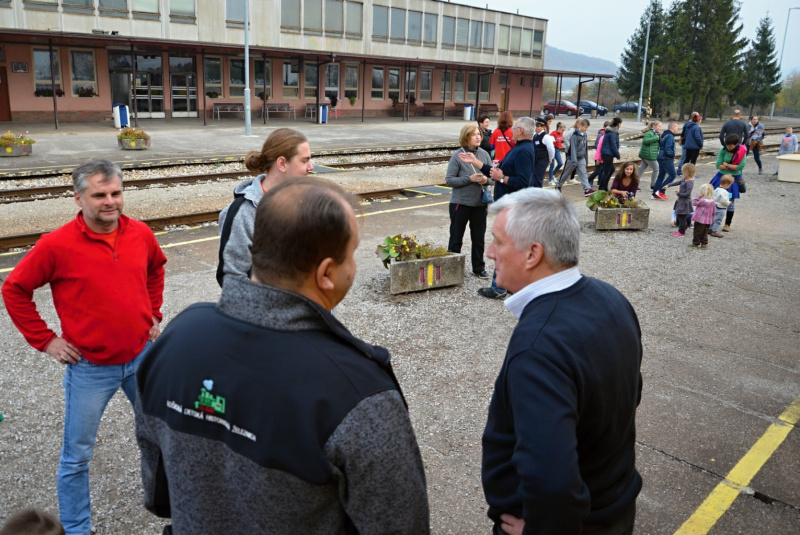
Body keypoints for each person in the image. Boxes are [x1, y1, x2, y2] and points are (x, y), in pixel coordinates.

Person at [135, 178, 430, 534]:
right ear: (326, 273)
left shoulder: (178, 336)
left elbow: (158, 491)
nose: (354, 264)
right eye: (352, 253)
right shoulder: (359, 391)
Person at [1, 159, 167, 535]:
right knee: (77, 456)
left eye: (116, 193)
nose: (110, 201)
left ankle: (171, 505)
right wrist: (46, 340)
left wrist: (153, 313)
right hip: (90, 368)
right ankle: (76, 529)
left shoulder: (140, 233)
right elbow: (14, 289)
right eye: (99, 195)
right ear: (78, 198)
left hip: (141, 358)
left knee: (162, 439)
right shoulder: (56, 245)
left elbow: (156, 269)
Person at [481, 187, 643, 535]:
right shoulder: (612, 299)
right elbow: (629, 396)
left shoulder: (538, 347)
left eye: (497, 241)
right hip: (615, 507)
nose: (489, 252)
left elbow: (552, 479)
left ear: (532, 254)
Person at [217, 128, 314, 285]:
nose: (311, 167)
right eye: (304, 161)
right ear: (282, 164)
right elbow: (232, 279)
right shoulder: (244, 213)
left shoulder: (305, 201)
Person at [475, 116, 536, 300]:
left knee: (504, 246)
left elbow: (523, 182)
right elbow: (498, 172)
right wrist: (476, 162)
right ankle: (511, 284)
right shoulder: (519, 147)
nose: (511, 131)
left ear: (521, 131)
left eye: (514, 128)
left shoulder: (523, 151)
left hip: (512, 207)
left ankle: (499, 287)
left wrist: (501, 178)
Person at [446, 123, 493, 278]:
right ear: (466, 137)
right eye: (474, 134)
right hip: (460, 203)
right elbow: (449, 180)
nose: (478, 137)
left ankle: (479, 268)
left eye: (479, 134)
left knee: (478, 238)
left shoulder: (484, 154)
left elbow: (492, 178)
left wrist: (485, 180)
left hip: (480, 203)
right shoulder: (458, 155)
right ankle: (452, 269)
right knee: (456, 237)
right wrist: (470, 179)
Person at [710, 135, 747, 233]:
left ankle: (727, 224)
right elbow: (718, 165)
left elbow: (740, 167)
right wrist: (732, 166)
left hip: (733, 180)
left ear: (736, 144)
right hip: (721, 177)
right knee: (716, 199)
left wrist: (726, 164)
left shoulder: (742, 152)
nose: (728, 148)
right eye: (727, 145)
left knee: (730, 201)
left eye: (730, 146)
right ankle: (712, 222)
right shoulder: (723, 150)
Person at [557, 118, 595, 197]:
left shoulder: (585, 135)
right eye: (585, 127)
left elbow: (585, 147)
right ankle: (558, 186)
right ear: (580, 125)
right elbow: (573, 148)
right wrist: (574, 160)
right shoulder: (575, 134)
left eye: (587, 127)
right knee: (566, 173)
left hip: (581, 158)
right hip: (572, 159)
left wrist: (586, 158)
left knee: (583, 174)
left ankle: (587, 189)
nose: (586, 129)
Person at [665, 163, 696, 237]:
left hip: (684, 202)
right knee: (681, 215)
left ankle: (681, 232)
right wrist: (669, 185)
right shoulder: (685, 180)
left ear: (687, 172)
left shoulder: (689, 182)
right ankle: (685, 227)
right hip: (681, 201)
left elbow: (687, 194)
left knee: (681, 217)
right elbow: (677, 182)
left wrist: (679, 193)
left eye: (683, 171)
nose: (682, 172)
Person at [652, 121, 678, 200]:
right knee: (673, 174)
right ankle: (661, 191)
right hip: (666, 158)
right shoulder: (670, 136)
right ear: (673, 127)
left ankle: (655, 193)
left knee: (661, 176)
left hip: (661, 157)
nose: (677, 129)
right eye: (677, 127)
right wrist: (672, 154)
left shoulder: (664, 134)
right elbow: (668, 149)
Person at [689, 184, 716, 249]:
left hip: (700, 219)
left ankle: (695, 244)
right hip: (708, 220)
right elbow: (714, 211)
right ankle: (704, 244)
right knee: (704, 232)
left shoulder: (702, 201)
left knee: (697, 231)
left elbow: (694, 203)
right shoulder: (712, 201)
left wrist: (698, 196)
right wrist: (712, 218)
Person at [599, 116, 622, 190]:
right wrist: (617, 155)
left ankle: (604, 187)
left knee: (611, 170)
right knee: (607, 172)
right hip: (608, 154)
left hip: (606, 153)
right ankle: (602, 187)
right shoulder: (613, 133)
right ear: (618, 124)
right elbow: (613, 145)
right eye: (620, 123)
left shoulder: (611, 131)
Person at [531, 116, 554, 189]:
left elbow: (551, 149)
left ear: (544, 127)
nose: (536, 128)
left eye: (538, 126)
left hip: (542, 160)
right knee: (533, 178)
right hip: (535, 160)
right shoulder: (535, 136)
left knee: (538, 179)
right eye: (536, 126)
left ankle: (538, 193)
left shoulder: (546, 137)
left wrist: (550, 158)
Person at [638, 121, 661, 192]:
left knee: (641, 169)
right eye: (659, 126)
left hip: (648, 154)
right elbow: (645, 141)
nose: (660, 128)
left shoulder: (656, 133)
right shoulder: (649, 133)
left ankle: (634, 184)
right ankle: (653, 185)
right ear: (654, 126)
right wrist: (656, 137)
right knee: (656, 168)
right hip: (648, 154)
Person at [586, 121, 610, 189]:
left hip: (604, 156)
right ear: (604, 127)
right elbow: (598, 147)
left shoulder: (607, 135)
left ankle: (600, 183)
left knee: (602, 170)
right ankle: (588, 181)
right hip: (599, 156)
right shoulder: (601, 135)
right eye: (607, 127)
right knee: (598, 171)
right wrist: (599, 158)